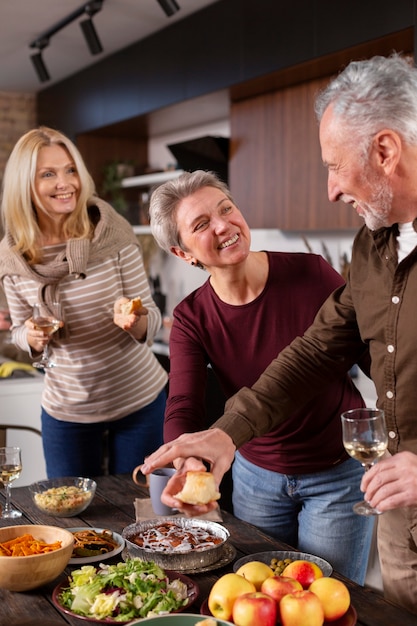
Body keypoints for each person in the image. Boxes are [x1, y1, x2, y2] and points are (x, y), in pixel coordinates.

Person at [141, 53, 417, 613]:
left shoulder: (312, 268)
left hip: (352, 477)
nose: (332, 190)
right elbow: (317, 351)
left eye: (335, 166)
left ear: (385, 151)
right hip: (398, 508)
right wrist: (225, 436)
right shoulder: (375, 247)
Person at [148, 169, 372, 583]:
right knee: (260, 598)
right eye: (201, 225)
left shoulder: (312, 274)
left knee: (330, 600)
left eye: (226, 209)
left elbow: (372, 351)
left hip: (337, 476)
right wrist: (189, 457)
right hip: (257, 480)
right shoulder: (191, 317)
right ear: (184, 254)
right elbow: (183, 402)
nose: (223, 225)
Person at [0, 126, 168, 478]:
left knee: (140, 518)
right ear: (24, 185)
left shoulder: (110, 232)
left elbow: (151, 318)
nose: (66, 183)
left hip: (139, 403)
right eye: (48, 174)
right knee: (71, 521)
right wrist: (29, 337)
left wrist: (133, 319)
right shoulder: (12, 258)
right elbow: (16, 333)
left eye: (70, 170)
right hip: (66, 411)